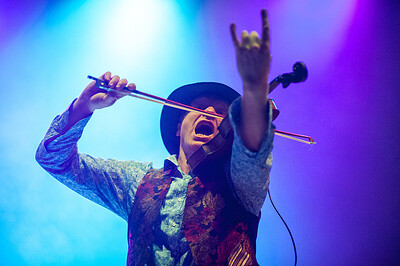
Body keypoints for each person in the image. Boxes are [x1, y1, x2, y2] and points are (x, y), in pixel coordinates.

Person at [36, 9, 275, 265]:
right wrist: (83, 108)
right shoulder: (137, 181)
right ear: (177, 127)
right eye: (200, 107)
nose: (209, 113)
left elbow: (253, 151)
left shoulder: (238, 182)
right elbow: (53, 160)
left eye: (220, 113)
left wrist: (254, 89)